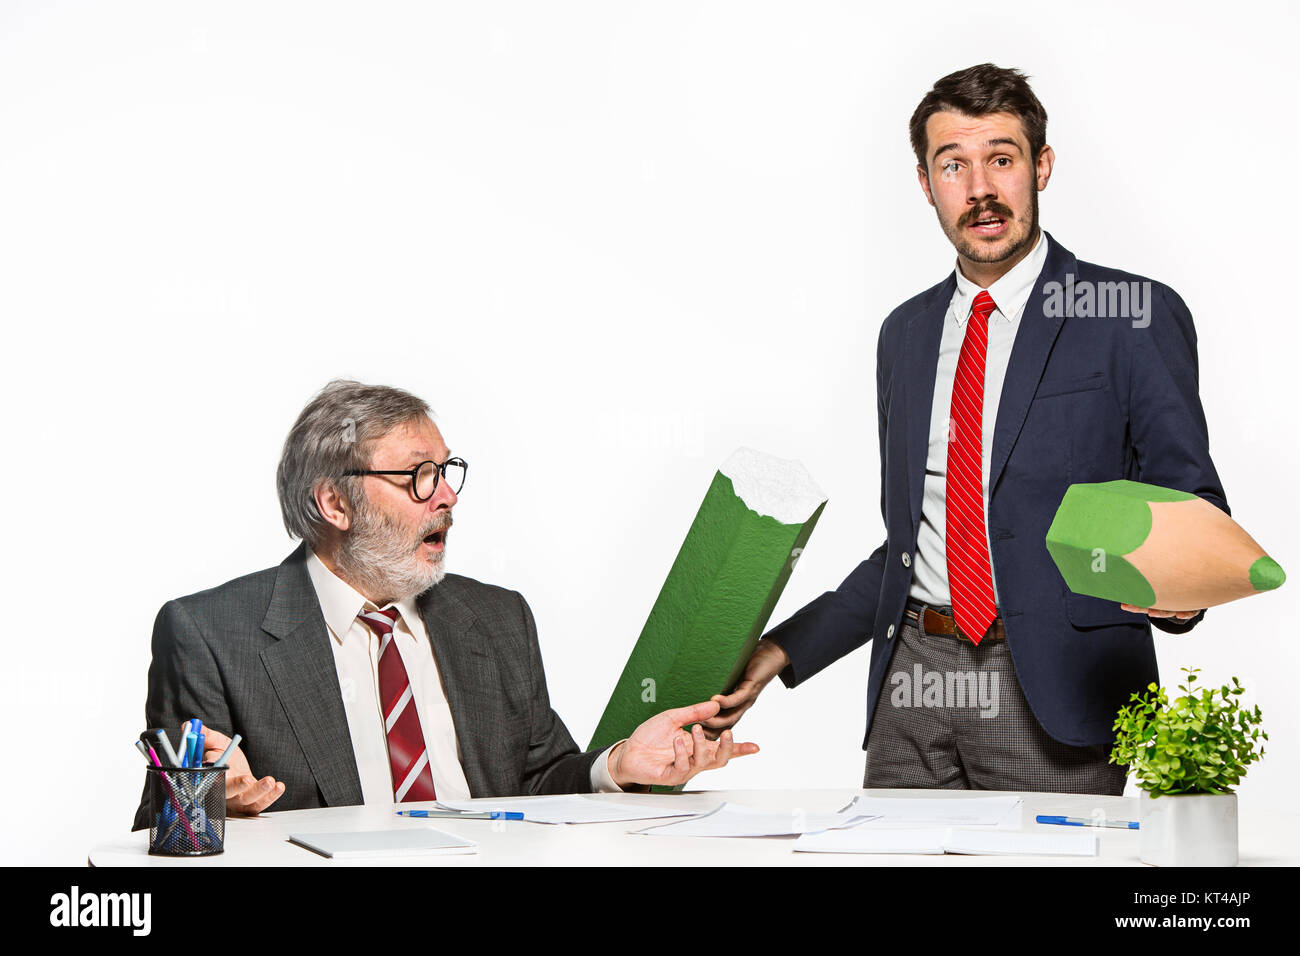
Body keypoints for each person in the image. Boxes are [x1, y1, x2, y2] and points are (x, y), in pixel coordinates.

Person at [705, 63, 1225, 795]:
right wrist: (782, 651)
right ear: (926, 182)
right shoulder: (907, 334)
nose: (980, 188)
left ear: (1040, 167)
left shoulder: (1129, 314)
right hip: (910, 687)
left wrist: (1186, 586)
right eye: (954, 165)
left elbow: (1190, 509)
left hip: (1054, 691)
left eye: (1001, 159)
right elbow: (910, 542)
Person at [133, 380, 755, 829]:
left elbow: (539, 787)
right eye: (418, 477)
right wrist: (209, 805)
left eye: (448, 471)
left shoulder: (497, 619)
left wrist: (616, 765)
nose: (448, 497)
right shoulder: (210, 634)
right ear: (335, 504)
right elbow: (158, 827)